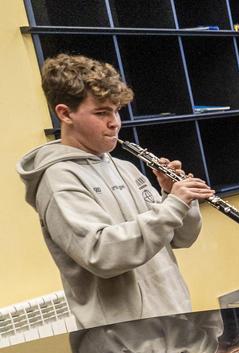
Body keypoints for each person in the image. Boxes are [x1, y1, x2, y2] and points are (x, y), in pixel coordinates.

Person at [18, 54, 213, 329]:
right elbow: (102, 255)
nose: (115, 123)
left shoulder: (126, 168)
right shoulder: (58, 179)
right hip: (123, 340)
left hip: (172, 321)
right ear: (65, 113)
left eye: (116, 111)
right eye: (101, 113)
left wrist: (176, 197)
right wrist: (173, 206)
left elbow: (181, 239)